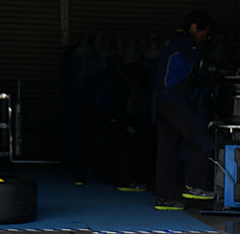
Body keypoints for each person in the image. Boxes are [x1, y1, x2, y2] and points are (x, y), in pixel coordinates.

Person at [153, 9, 216, 210]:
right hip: (174, 99)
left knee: (166, 150)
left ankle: (164, 198)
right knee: (202, 139)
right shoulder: (186, 44)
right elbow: (203, 66)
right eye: (203, 34)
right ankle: (195, 186)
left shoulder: (172, 42)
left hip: (161, 101)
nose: (203, 39)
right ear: (193, 28)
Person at [73, 63, 151, 190]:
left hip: (81, 109)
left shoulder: (107, 73)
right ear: (138, 78)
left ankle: (79, 178)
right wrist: (127, 124)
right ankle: (126, 182)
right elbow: (119, 109)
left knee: (82, 142)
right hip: (99, 111)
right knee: (125, 142)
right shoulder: (125, 81)